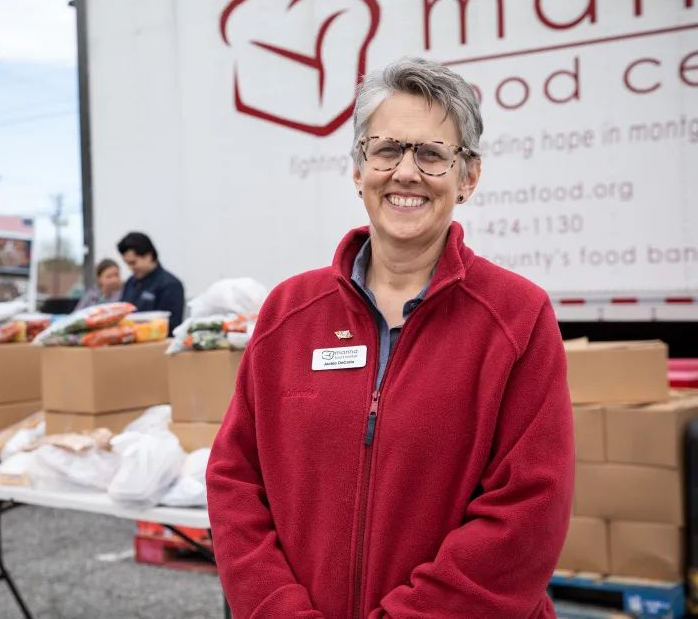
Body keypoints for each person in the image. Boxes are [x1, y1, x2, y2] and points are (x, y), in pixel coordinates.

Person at [206, 56, 574, 619]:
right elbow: (235, 480)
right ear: (359, 169)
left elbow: (527, 513)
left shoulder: (516, 317)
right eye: (386, 149)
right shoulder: (288, 313)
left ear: (467, 176)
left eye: (431, 154)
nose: (406, 172)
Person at [117, 232, 185, 334]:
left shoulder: (170, 285)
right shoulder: (130, 283)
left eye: (133, 262)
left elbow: (171, 327)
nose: (130, 268)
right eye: (127, 263)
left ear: (148, 256)